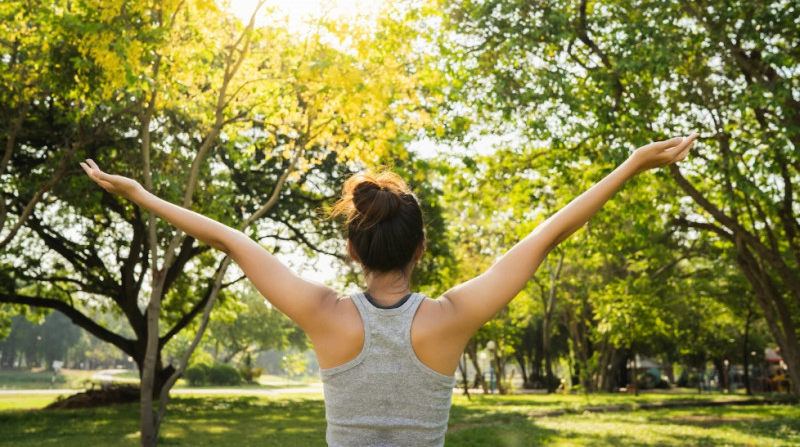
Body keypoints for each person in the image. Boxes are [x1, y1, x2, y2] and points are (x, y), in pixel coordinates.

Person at [80, 133, 697, 446]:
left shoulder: (323, 314)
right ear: (421, 250)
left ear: (352, 250)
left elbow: (232, 240)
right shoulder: (451, 318)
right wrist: (631, 164)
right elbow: (545, 237)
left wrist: (141, 194)